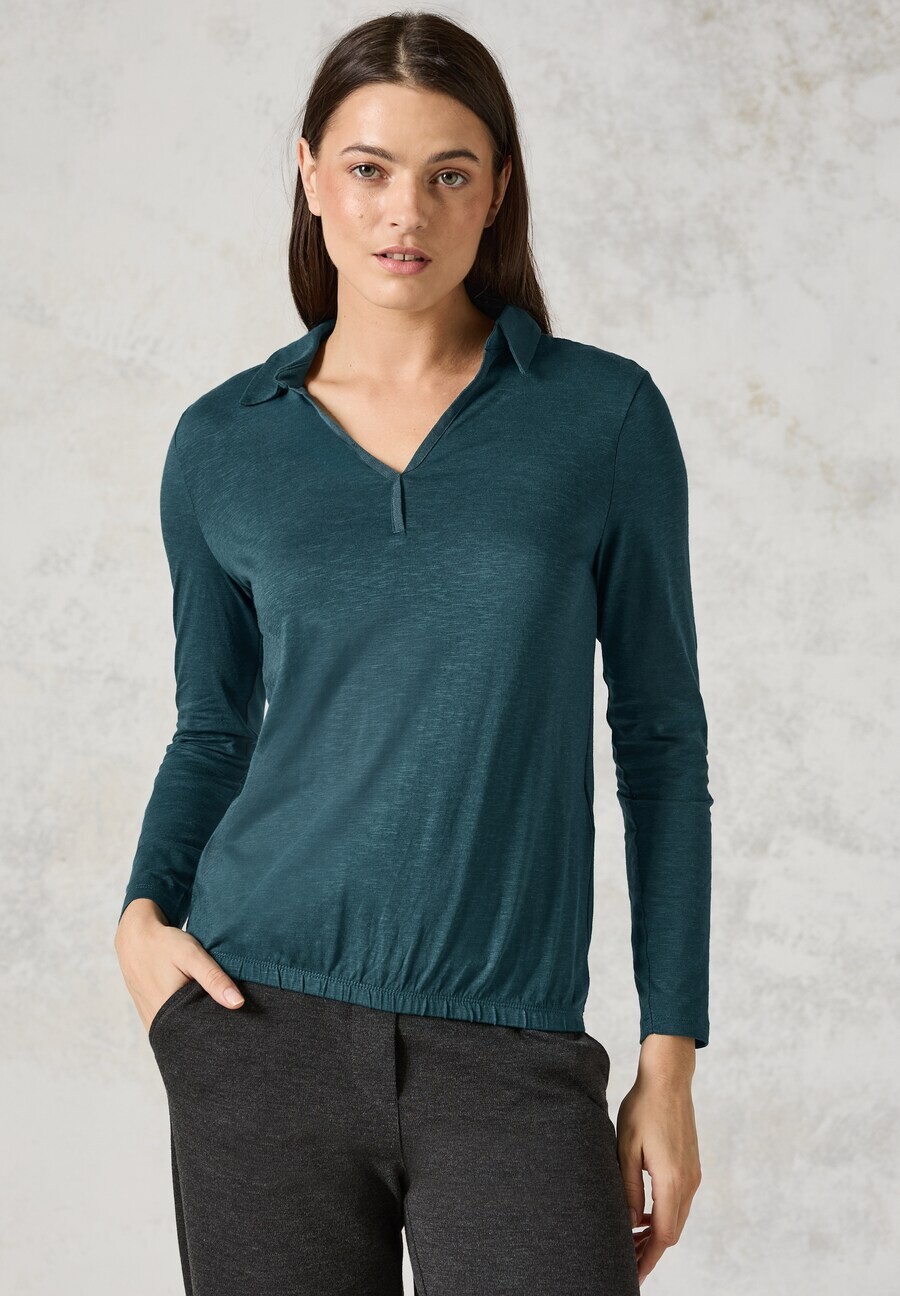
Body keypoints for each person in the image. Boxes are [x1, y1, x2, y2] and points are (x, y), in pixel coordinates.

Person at [114, 11, 713, 1294]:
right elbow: (212, 727)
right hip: (255, 1026)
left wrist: (669, 1060)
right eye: (370, 168)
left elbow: (661, 743)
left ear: (496, 191)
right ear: (310, 175)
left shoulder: (599, 418)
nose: (407, 212)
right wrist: (141, 919)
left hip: (509, 1047)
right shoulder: (224, 443)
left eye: (449, 173)